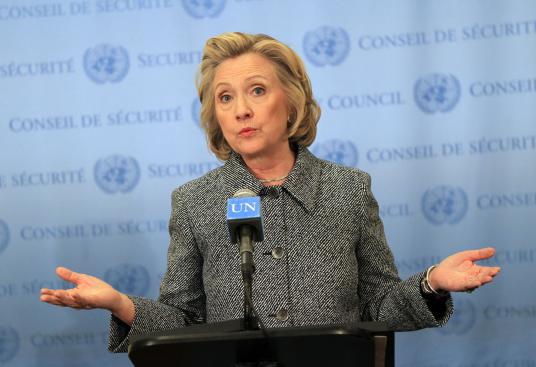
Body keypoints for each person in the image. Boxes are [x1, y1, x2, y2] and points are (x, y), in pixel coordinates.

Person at [40, 32, 500, 353]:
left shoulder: (349, 190)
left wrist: (432, 282)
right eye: (225, 97)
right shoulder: (195, 202)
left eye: (256, 91)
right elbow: (183, 322)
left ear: (291, 102)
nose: (241, 110)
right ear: (213, 114)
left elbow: (379, 306)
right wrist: (121, 304)